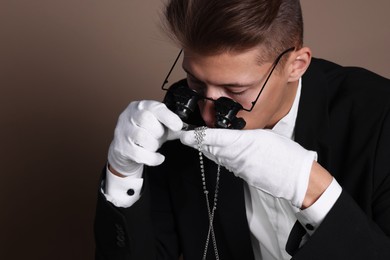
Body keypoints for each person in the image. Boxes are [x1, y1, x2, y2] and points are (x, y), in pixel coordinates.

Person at [94, 0, 390, 259]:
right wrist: (122, 175)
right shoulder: (178, 118)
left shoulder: (380, 118)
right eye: (196, 82)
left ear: (296, 65)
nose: (208, 115)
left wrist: (313, 190)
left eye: (236, 89)